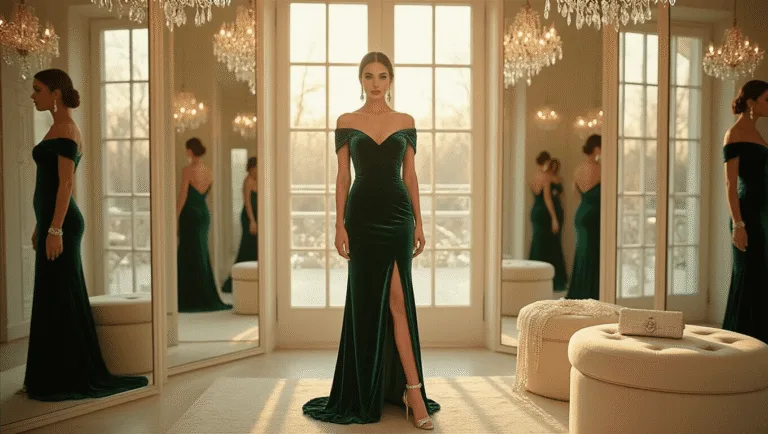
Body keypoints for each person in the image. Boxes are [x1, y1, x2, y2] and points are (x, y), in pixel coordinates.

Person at [302, 52, 439, 429]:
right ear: (360, 80)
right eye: (368, 76)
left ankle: (414, 391)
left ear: (391, 80)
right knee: (364, 305)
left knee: (398, 300)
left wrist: (419, 222)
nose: (375, 83)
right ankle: (365, 388)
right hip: (360, 219)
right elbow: (342, 178)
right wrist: (339, 225)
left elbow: (410, 176)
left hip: (397, 217)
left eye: (382, 76)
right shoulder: (346, 122)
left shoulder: (406, 122)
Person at [23, 68, 148, 401]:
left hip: (62, 225)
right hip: (53, 222)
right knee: (53, 294)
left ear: (56, 94)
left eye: (37, 89)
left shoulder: (65, 129)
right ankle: (50, 375)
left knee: (60, 295)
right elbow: (47, 186)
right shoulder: (55, 127)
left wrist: (54, 228)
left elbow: (66, 183)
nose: (33, 95)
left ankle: (65, 376)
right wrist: (41, 222)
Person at [722, 79, 768, 344]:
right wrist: (738, 225)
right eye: (766, 99)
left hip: (762, 214)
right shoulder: (735, 133)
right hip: (747, 215)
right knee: (748, 277)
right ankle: (742, 344)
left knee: (761, 276)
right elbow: (730, 183)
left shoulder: (757, 133)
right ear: (751, 103)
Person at [176, 138, 231, 312]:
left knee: (187, 253)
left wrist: (175, 217)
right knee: (200, 252)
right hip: (203, 215)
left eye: (187, 150)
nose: (186, 153)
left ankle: (189, 298)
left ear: (191, 151)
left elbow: (183, 196)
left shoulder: (187, 170)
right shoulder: (209, 172)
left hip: (190, 214)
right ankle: (204, 294)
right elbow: (205, 195)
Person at [566, 134, 601, 300]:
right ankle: (591, 292)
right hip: (595, 215)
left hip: (581, 214)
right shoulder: (601, 169)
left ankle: (579, 290)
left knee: (582, 252)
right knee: (593, 252)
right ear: (596, 149)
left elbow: (575, 194)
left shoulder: (578, 169)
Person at [528, 152, 567, 291]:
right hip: (545, 213)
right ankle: (551, 279)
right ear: (545, 162)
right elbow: (547, 199)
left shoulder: (533, 176)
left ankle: (533, 278)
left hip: (535, 211)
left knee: (538, 243)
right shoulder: (545, 177)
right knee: (549, 245)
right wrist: (554, 218)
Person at [222, 157, 259, 293]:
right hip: (249, 217)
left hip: (259, 217)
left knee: (257, 247)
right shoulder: (247, 181)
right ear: (251, 168)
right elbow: (247, 203)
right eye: (256, 168)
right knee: (246, 246)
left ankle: (254, 278)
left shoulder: (260, 180)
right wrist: (252, 221)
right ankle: (235, 281)